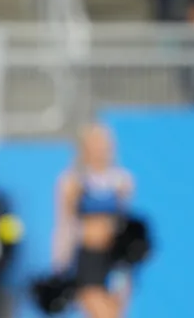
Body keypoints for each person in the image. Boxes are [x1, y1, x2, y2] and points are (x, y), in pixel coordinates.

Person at [52, 123, 134, 318]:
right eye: (94, 143)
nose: (100, 149)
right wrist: (60, 264)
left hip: (114, 258)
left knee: (116, 312)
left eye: (103, 143)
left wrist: (128, 262)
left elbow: (125, 223)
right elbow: (64, 224)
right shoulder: (73, 181)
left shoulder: (122, 181)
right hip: (87, 258)